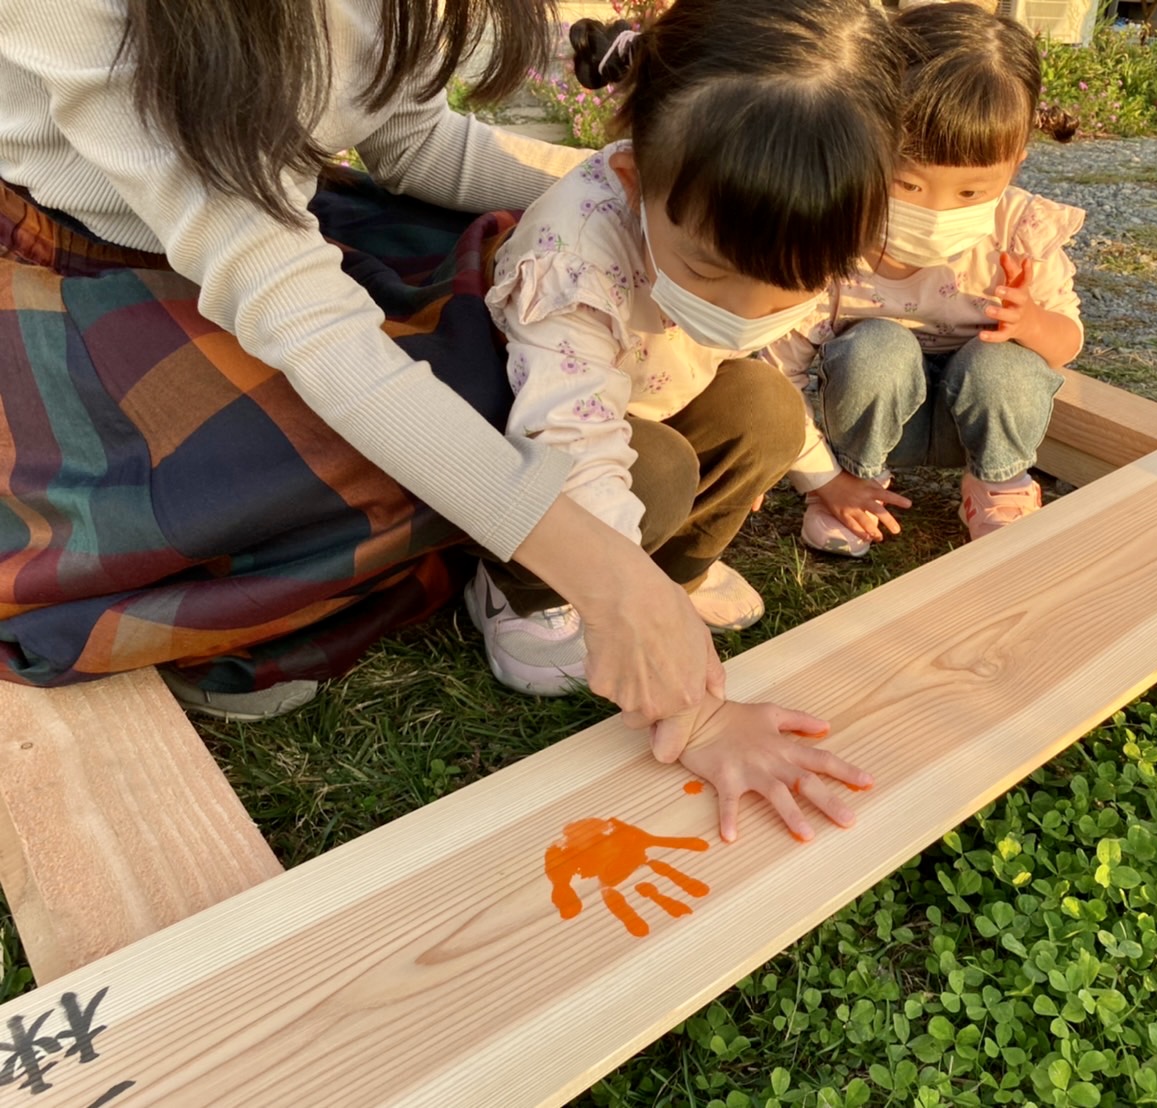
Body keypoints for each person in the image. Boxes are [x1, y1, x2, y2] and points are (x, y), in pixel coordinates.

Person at [0, 0, 727, 748]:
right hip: (95, 277)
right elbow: (298, 311)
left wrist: (663, 200)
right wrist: (614, 582)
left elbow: (413, 140)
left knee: (523, 304)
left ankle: (418, 544)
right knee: (486, 403)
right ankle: (261, 604)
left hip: (284, 229)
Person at [471, 0, 904, 840]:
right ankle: (524, 596)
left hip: (647, 397)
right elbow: (571, 444)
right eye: (708, 272)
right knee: (657, 466)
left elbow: (756, 365)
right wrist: (690, 706)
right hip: (541, 437)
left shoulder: (743, 226)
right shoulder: (571, 256)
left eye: (788, 287)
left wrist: (824, 477)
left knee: (768, 409)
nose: (745, 312)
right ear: (637, 184)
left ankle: (678, 576)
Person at [765, 3, 1085, 558]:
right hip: (877, 418)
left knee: (1007, 362)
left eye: (970, 193)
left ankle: (999, 481)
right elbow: (780, 373)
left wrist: (1030, 321)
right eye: (907, 186)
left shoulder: (1018, 233)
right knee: (877, 347)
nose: (937, 212)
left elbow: (1068, 344)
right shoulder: (836, 242)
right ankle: (855, 483)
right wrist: (821, 479)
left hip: (977, 418)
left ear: (1015, 166)